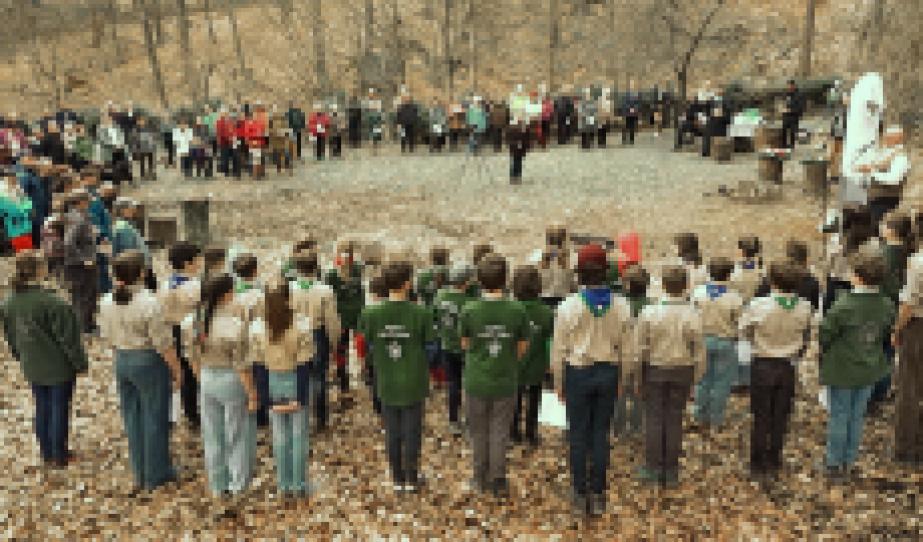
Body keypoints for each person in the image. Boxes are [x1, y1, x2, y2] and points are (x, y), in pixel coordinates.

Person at [550, 244, 632, 514]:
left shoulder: (568, 306)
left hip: (578, 373)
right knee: (600, 433)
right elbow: (627, 349)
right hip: (608, 372)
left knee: (578, 434)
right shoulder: (621, 306)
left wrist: (558, 382)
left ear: (579, 274)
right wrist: (624, 376)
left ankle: (578, 491)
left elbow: (558, 350)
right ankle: (598, 493)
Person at [98, 252, 181, 491]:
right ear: (142, 273)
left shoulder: (106, 301)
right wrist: (176, 370)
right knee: (155, 416)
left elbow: (107, 337)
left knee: (132, 416)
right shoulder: (149, 303)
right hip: (148, 359)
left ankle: (139, 470)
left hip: (123, 359)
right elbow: (163, 343)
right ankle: (157, 472)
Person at [1, 250, 88, 468]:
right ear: (39, 271)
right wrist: (80, 363)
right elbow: (69, 339)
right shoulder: (53, 303)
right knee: (59, 407)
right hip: (57, 365)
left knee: (42, 405)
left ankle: (47, 451)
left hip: (32, 361)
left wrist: (20, 356)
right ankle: (59, 454)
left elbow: (10, 335)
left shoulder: (9, 302)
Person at [357, 260, 435, 493]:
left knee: (392, 430)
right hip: (413, 380)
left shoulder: (371, 314)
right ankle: (411, 476)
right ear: (408, 284)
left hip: (386, 379)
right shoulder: (421, 313)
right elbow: (431, 348)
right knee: (412, 430)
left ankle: (397, 477)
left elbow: (367, 344)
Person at [819, 251, 894, 482]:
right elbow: (884, 333)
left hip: (843, 368)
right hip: (870, 367)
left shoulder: (844, 306)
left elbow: (825, 334)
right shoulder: (886, 305)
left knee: (839, 415)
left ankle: (833, 462)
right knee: (857, 415)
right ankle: (849, 460)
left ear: (858, 277)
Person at [460, 254, 529, 497]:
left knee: (478, 432)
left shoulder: (469, 309)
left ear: (479, 280)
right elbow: (522, 347)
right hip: (505, 378)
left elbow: (465, 343)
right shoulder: (517, 310)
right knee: (500, 431)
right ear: (506, 279)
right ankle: (498, 479)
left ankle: (479, 477)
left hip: (476, 379)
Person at [182, 273, 257, 497]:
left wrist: (201, 379)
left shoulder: (192, 322)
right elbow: (242, 365)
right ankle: (238, 483)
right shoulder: (235, 325)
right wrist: (252, 393)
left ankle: (217, 483)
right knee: (237, 433)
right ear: (226, 295)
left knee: (212, 433)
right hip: (231, 378)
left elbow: (192, 357)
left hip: (206, 376)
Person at [739, 261, 812, 480]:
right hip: (787, 365)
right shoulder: (805, 307)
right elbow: (806, 334)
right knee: (781, 414)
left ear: (772, 282)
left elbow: (744, 329)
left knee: (761, 415)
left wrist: (754, 344)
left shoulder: (759, 306)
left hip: (763, 362)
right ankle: (774, 457)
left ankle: (757, 461)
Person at [635, 265, 705, 486]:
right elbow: (699, 351)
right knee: (675, 418)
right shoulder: (693, 315)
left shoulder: (649, 312)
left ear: (663, 285)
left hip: (655, 368)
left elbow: (639, 349)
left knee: (654, 418)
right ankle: (671, 469)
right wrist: (696, 378)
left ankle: (653, 467)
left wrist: (637, 377)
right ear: (686, 286)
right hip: (682, 369)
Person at [249, 282, 314, 497]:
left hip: (271, 379)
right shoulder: (302, 324)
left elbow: (257, 365)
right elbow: (305, 364)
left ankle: (283, 484)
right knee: (298, 436)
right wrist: (303, 397)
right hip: (296, 378)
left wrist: (264, 397)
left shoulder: (257, 327)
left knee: (278, 436)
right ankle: (299, 483)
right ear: (289, 298)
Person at [288, 251, 340, 432]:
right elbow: (331, 320)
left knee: (297, 373)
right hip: (317, 333)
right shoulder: (324, 290)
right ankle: (320, 417)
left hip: (294, 334)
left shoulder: (289, 289)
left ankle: (299, 414)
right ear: (316, 268)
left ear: (296, 268)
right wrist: (335, 341)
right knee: (318, 376)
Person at [691, 257, 745, 429]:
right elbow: (740, 322)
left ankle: (700, 415)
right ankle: (716, 418)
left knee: (702, 379)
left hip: (702, 340)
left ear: (709, 272)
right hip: (725, 341)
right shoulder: (734, 298)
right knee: (722, 381)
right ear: (729, 275)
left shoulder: (698, 293)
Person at [510, 265, 553, 448]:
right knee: (535, 399)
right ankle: (531, 432)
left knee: (515, 399)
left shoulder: (511, 309)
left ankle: (513, 432)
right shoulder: (546, 312)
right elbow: (549, 340)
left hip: (514, 364)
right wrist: (549, 363)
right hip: (537, 363)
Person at [161, 242, 203, 428]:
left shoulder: (166, 284)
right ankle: (194, 412)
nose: (200, 263)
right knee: (192, 369)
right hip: (189, 330)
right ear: (187, 263)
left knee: (179, 370)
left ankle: (183, 410)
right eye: (197, 260)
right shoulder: (193, 286)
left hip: (169, 330)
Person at [893, 216, 923, 463]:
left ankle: (906, 446)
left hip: (918, 326)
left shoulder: (917, 262)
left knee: (909, 387)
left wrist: (897, 329)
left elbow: (909, 303)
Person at [434, 263, 472, 435]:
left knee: (453, 384)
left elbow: (434, 317)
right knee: (467, 383)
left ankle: (453, 419)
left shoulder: (440, 295)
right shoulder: (468, 302)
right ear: (465, 282)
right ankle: (469, 418)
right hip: (464, 348)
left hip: (446, 345)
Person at [232, 254, 269, 428]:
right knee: (259, 375)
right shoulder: (260, 296)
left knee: (242, 372)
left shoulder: (231, 295)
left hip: (237, 340)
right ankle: (261, 415)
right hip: (256, 340)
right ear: (255, 271)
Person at [613, 264, 650, 437]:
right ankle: (637, 426)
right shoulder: (651, 306)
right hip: (643, 354)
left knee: (619, 390)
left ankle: (618, 426)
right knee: (639, 391)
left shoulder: (619, 305)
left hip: (621, 353)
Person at [326, 242, 365, 394]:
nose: (346, 256)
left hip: (356, 315)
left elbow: (360, 292)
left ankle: (363, 372)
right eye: (343, 252)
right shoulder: (332, 275)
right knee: (341, 349)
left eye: (348, 252)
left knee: (359, 346)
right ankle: (343, 380)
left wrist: (362, 311)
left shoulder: (356, 268)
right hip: (341, 317)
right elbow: (330, 299)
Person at [857, 126, 911, 228]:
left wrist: (872, 172)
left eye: (889, 137)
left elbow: (893, 179)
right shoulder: (885, 155)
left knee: (881, 228)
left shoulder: (901, 157)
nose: (885, 139)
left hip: (886, 200)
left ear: (898, 138)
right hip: (875, 200)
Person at [62, 190, 99, 334]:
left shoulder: (80, 217)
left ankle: (87, 324)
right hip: (79, 266)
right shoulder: (76, 219)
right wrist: (83, 260)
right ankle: (83, 327)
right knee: (83, 296)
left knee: (87, 294)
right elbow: (68, 242)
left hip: (82, 263)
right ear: (81, 202)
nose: (89, 204)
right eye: (88, 201)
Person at [129, 117, 157, 181]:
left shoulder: (148, 128)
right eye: (139, 121)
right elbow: (133, 139)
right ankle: (142, 173)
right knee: (141, 157)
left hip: (148, 147)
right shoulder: (135, 129)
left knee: (151, 155)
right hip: (140, 148)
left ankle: (151, 171)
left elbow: (152, 138)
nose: (141, 122)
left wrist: (151, 144)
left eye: (142, 121)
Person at [781, 79, 804, 150]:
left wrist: (790, 110)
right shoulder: (786, 94)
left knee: (792, 133)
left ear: (793, 86)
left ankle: (791, 147)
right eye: (788, 86)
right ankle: (783, 146)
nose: (789, 87)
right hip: (786, 117)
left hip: (794, 117)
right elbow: (783, 103)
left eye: (790, 86)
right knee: (784, 131)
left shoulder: (799, 95)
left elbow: (800, 107)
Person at [507, 118, 530, 184]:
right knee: (515, 161)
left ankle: (516, 175)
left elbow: (525, 140)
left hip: (518, 149)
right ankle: (514, 175)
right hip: (516, 148)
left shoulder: (523, 130)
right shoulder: (515, 129)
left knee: (517, 161)